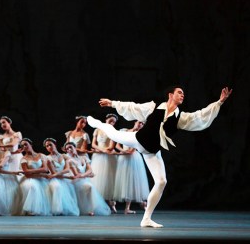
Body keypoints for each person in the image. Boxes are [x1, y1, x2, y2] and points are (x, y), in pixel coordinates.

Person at [87, 86, 232, 227]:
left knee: (161, 181)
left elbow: (200, 115)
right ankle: (97, 123)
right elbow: (133, 107)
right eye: (179, 93)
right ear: (170, 95)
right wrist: (112, 103)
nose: (182, 95)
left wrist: (219, 102)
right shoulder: (153, 107)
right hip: (137, 140)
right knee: (113, 133)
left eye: (183, 94)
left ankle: (146, 219)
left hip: (152, 152)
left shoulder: (181, 118)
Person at [65, 142, 111, 216]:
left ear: (75, 147)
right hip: (75, 180)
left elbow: (90, 170)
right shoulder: (69, 161)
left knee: (90, 186)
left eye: (70, 147)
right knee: (89, 187)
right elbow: (76, 174)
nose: (69, 149)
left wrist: (85, 175)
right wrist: (88, 175)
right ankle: (88, 209)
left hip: (83, 178)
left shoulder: (84, 158)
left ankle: (91, 208)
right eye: (67, 149)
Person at [113, 120, 149, 214]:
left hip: (133, 158)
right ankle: (124, 207)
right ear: (135, 122)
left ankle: (133, 205)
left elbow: (134, 148)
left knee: (134, 181)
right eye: (139, 122)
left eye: (142, 123)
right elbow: (117, 145)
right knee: (124, 181)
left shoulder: (140, 134)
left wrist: (128, 152)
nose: (140, 124)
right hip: (124, 157)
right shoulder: (124, 131)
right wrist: (123, 151)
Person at [14, 138, 51, 216]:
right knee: (32, 185)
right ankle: (31, 209)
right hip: (30, 178)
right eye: (22, 146)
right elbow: (27, 174)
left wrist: (30, 170)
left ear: (30, 144)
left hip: (41, 178)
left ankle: (40, 208)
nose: (24, 146)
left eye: (26, 144)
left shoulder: (41, 155)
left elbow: (45, 169)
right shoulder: (23, 159)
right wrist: (40, 173)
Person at [90, 113, 119, 213]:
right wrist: (101, 150)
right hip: (98, 156)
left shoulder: (113, 131)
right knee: (97, 179)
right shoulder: (97, 130)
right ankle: (97, 203)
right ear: (106, 120)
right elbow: (93, 144)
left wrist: (102, 150)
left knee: (107, 180)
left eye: (114, 122)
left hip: (108, 157)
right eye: (110, 121)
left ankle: (110, 203)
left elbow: (111, 147)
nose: (111, 123)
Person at [43, 138, 79, 216]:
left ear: (55, 145)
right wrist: (56, 175)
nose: (49, 147)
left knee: (71, 186)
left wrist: (65, 176)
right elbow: (54, 172)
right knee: (57, 186)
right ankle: (57, 209)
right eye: (47, 146)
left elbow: (67, 170)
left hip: (63, 178)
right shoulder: (47, 158)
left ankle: (65, 209)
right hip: (55, 179)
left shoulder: (64, 156)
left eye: (50, 145)